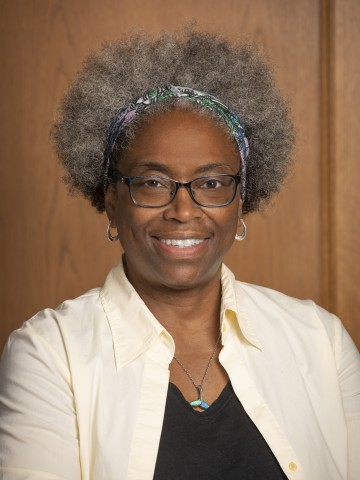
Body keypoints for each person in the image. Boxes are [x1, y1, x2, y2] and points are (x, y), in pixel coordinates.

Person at [0, 30, 359, 480]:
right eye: (152, 182)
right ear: (112, 200)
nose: (184, 210)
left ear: (241, 201)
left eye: (211, 184)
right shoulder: (52, 354)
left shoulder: (321, 342)